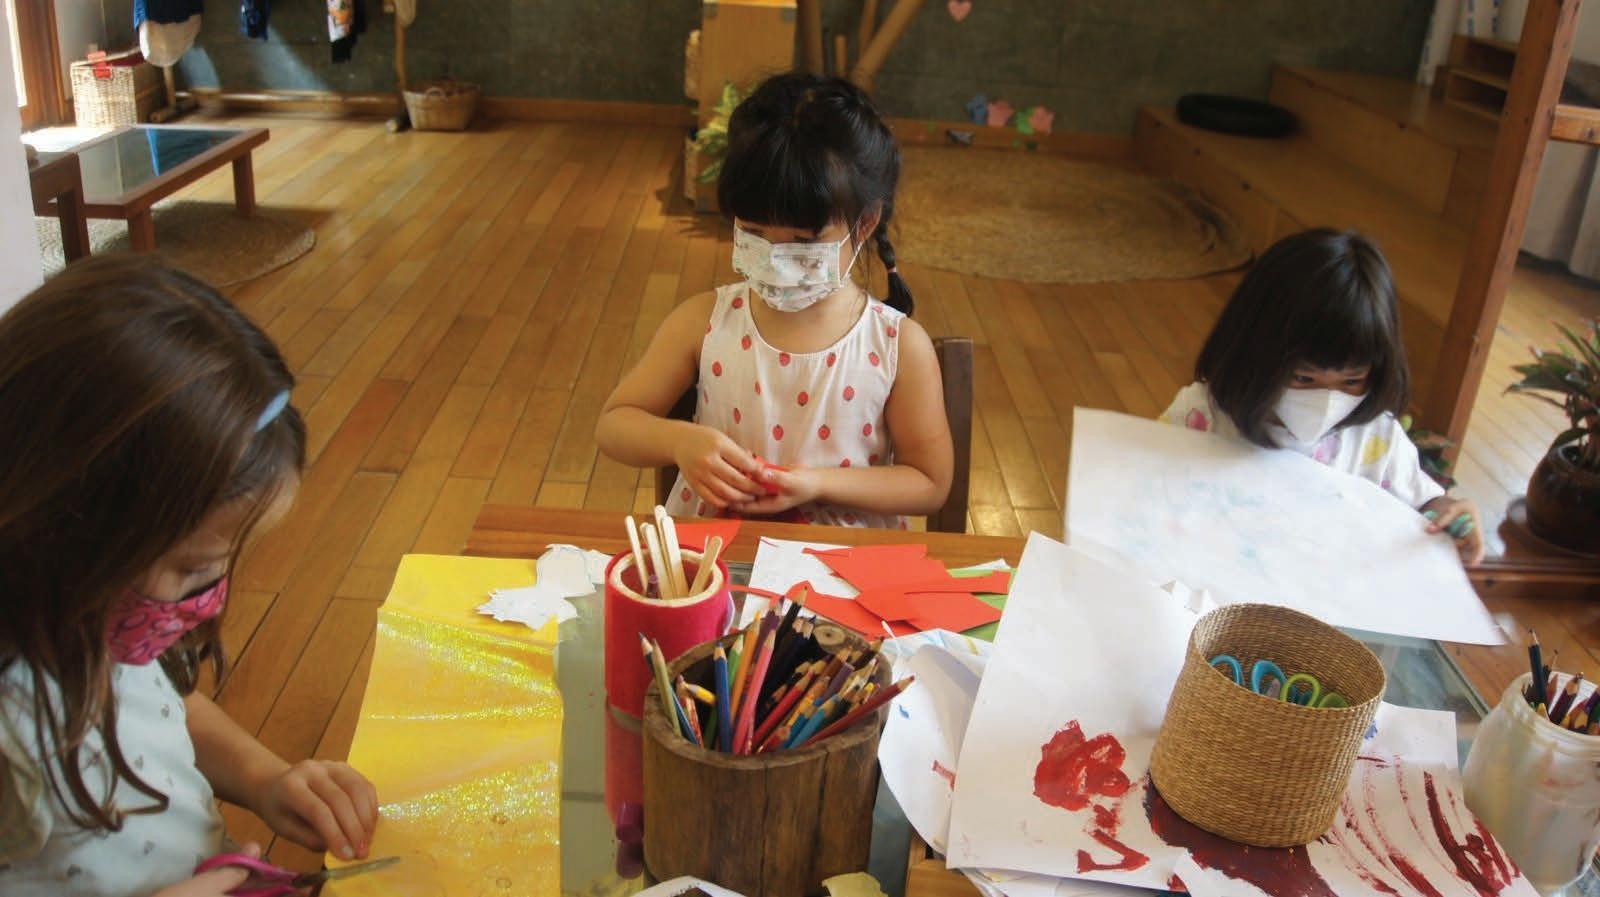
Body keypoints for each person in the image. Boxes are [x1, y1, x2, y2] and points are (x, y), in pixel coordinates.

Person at [0, 257, 379, 896]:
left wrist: (265, 778)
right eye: (196, 568)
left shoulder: (100, 617)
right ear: (67, 524)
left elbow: (166, 704)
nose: (209, 596)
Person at [596, 73, 953, 529]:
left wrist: (818, 484)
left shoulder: (897, 346)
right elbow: (614, 424)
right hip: (717, 555)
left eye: (803, 241)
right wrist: (679, 441)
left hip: (842, 560)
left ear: (865, 223)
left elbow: (929, 482)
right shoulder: (703, 322)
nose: (776, 260)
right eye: (754, 232)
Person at [1160, 229, 1484, 564]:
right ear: (1252, 353)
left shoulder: (1377, 440)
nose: (1327, 400)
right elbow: (1149, 484)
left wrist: (1448, 513)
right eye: (1304, 378)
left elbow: (1422, 503)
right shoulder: (1201, 415)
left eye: (1352, 380)